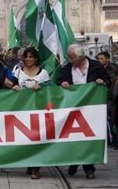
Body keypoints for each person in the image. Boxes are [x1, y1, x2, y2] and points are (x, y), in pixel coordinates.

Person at [58, 45, 110, 179]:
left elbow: (108, 82)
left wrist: (102, 82)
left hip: (91, 109)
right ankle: (74, 162)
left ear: (80, 57)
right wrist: (63, 83)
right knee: (74, 137)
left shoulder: (96, 66)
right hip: (73, 109)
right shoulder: (67, 68)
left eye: (71, 57)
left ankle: (89, 168)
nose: (70, 60)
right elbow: (58, 81)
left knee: (88, 137)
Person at [11, 47, 51, 179]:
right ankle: (30, 163)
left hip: (38, 111)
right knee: (26, 139)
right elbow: (10, 85)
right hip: (22, 111)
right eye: (26, 57)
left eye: (31, 57)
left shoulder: (43, 73)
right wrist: (13, 87)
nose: (28, 59)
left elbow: (51, 89)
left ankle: (36, 168)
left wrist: (42, 87)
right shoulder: (17, 72)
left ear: (36, 58)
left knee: (37, 139)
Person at [96, 51, 118, 148]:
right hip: (100, 97)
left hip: (112, 98)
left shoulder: (114, 68)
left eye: (102, 58)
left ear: (107, 59)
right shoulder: (96, 69)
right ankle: (107, 141)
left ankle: (115, 139)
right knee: (102, 120)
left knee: (112, 119)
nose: (100, 60)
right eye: (98, 59)